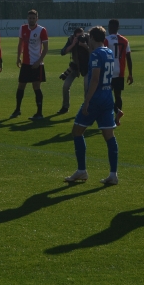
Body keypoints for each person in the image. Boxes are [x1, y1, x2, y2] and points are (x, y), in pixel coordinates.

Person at [63, 26, 119, 185]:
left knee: (77, 131)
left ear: (93, 38)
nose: (88, 40)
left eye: (89, 38)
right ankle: (113, 174)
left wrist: (87, 101)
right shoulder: (108, 52)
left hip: (96, 98)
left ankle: (82, 170)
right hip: (108, 97)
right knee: (109, 136)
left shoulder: (95, 54)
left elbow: (94, 79)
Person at [11, 9, 48, 120]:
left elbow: (46, 48)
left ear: (37, 18)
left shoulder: (42, 30)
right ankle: (17, 109)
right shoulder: (23, 28)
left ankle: (39, 113)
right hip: (25, 64)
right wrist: (18, 58)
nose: (31, 20)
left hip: (37, 64)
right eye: (30, 18)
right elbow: (20, 44)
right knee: (21, 86)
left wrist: (39, 61)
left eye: (33, 18)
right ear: (27, 18)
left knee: (36, 87)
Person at [106, 19, 134, 125]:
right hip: (120, 71)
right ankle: (117, 117)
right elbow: (129, 58)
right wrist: (130, 74)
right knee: (118, 95)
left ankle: (117, 112)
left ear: (110, 27)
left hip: (109, 71)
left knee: (106, 95)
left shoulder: (106, 40)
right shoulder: (124, 40)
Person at [57, 27, 90, 115]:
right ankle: (65, 107)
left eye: (81, 36)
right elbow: (63, 52)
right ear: (74, 36)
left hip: (87, 67)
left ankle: (86, 108)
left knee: (87, 88)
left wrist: (84, 45)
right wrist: (73, 44)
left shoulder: (88, 38)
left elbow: (94, 52)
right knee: (65, 86)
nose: (80, 38)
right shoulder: (71, 39)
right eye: (78, 36)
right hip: (75, 67)